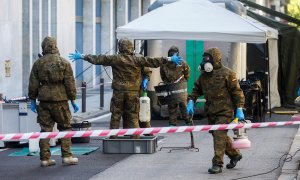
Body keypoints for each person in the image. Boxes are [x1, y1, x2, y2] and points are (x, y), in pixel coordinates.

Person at [69, 38, 182, 138]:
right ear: (130, 47)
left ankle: (113, 137)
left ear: (120, 47)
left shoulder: (115, 59)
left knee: (116, 115)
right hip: (133, 92)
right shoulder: (137, 59)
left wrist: (82, 56)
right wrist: (170, 59)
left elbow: (98, 58)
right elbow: (153, 61)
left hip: (119, 92)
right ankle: (135, 137)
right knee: (133, 115)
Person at [187, 47, 245, 174]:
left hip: (225, 111)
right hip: (211, 112)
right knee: (219, 136)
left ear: (215, 59)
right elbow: (196, 90)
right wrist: (191, 100)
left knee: (219, 135)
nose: (204, 61)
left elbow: (237, 92)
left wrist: (239, 108)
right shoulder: (204, 76)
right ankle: (235, 154)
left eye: (207, 59)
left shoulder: (228, 74)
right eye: (203, 59)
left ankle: (217, 164)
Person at [28, 37, 80, 167]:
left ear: (43, 47)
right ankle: (67, 156)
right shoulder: (64, 62)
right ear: (55, 46)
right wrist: (73, 100)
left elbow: (33, 84)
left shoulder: (38, 63)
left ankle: (45, 159)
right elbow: (70, 84)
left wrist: (32, 99)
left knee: (45, 129)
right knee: (65, 127)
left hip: (44, 100)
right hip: (60, 100)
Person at [160, 46, 190, 126]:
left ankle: (188, 121)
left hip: (179, 86)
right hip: (173, 86)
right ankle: (173, 123)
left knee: (183, 104)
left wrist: (183, 82)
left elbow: (187, 73)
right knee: (172, 106)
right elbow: (162, 76)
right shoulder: (164, 64)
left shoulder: (182, 63)